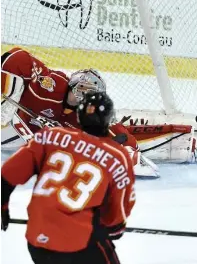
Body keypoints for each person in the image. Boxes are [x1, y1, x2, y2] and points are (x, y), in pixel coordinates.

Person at [1, 48, 197, 173]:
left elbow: (121, 135)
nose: (83, 97)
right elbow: (18, 57)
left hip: (17, 139)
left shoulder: (86, 118)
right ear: (73, 85)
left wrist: (127, 150)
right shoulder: (52, 85)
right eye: (82, 90)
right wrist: (7, 88)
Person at [1, 92, 136, 264]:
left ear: (78, 115)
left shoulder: (50, 136)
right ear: (108, 119)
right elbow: (117, 216)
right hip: (79, 245)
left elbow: (7, 174)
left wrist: (2, 207)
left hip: (37, 242)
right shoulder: (117, 156)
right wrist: (113, 230)